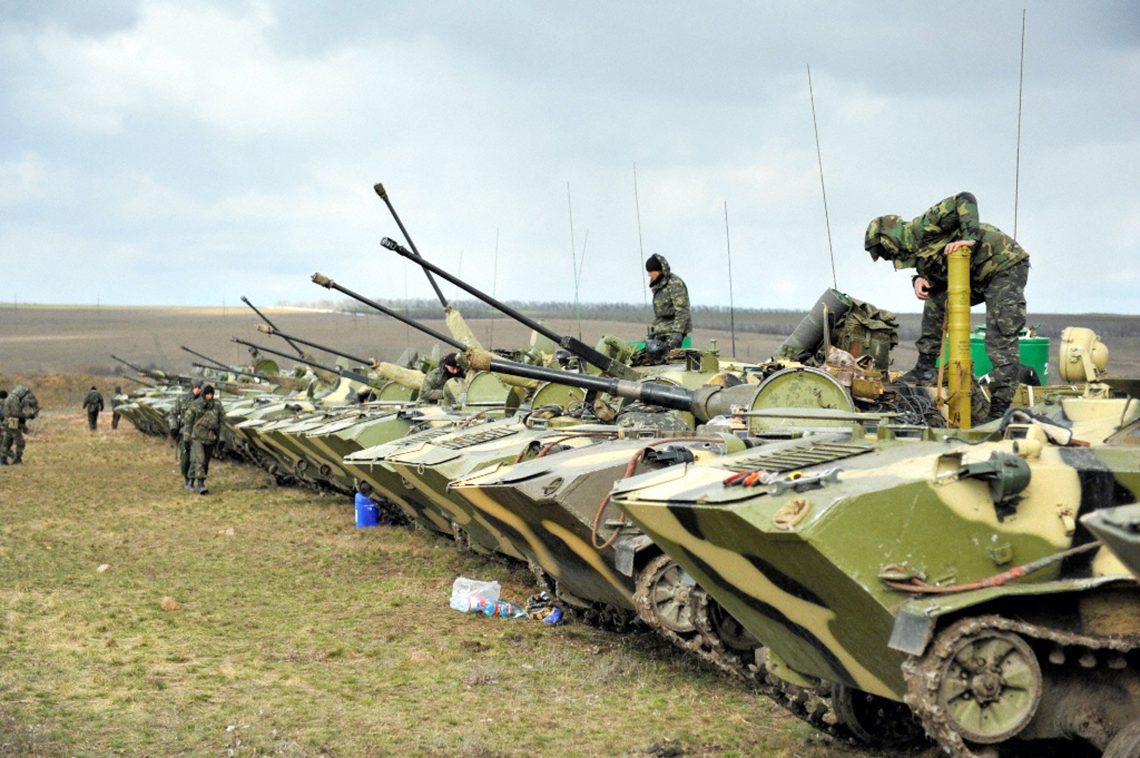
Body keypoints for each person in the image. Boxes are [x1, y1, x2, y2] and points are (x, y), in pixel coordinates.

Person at [864, 192, 1029, 421]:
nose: (887, 258)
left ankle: (1000, 408)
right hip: (971, 276)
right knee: (936, 300)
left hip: (1003, 266)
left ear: (888, 239)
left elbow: (965, 198)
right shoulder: (915, 251)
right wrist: (919, 279)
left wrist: (969, 238)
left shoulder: (923, 226)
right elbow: (934, 266)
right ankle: (925, 367)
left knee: (1000, 335)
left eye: (884, 252)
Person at [181, 384, 224, 494]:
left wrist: (222, 438)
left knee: (205, 462)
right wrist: (186, 439)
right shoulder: (196, 405)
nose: (209, 396)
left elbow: (222, 422)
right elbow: (188, 422)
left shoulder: (217, 405)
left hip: (211, 437)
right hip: (197, 436)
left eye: (211, 394)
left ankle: (191, 479)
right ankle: (201, 484)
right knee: (199, 459)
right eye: (207, 394)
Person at [645, 254, 691, 349]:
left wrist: (677, 332)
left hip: (673, 333)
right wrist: (655, 332)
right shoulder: (658, 284)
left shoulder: (674, 284)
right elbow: (661, 312)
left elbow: (682, 310)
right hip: (661, 333)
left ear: (659, 270)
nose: (649, 275)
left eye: (651, 271)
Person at [170, 380, 202, 488]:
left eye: (200, 387)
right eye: (197, 387)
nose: (198, 389)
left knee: (195, 459)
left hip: (198, 434)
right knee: (185, 460)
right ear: (192, 387)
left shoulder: (204, 401)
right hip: (184, 433)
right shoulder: (182, 399)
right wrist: (173, 427)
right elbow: (173, 414)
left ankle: (191, 481)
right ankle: (186, 477)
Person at [1, 384, 40, 465]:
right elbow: (16, 413)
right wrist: (29, 415)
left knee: (7, 441)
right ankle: (17, 459)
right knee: (20, 442)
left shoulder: (11, 398)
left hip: (8, 422)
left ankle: (3, 460)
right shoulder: (14, 399)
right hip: (12, 422)